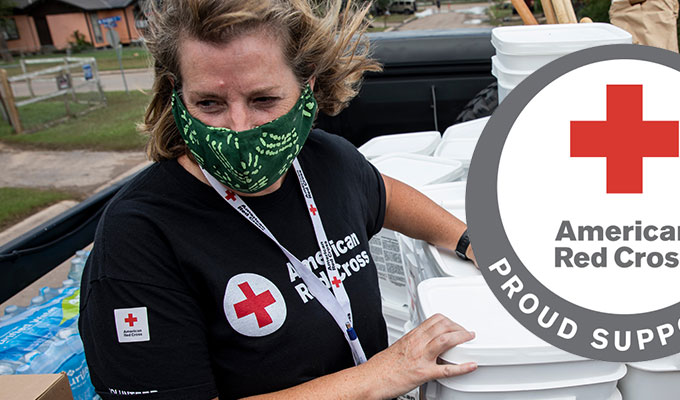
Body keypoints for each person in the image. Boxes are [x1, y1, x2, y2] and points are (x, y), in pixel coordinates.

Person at [78, 0, 478, 399]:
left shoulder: (325, 160)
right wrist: (378, 377)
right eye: (209, 104)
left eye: (263, 100)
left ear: (308, 87)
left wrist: (466, 239)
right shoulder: (138, 236)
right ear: (177, 96)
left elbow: (384, 194)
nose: (239, 128)